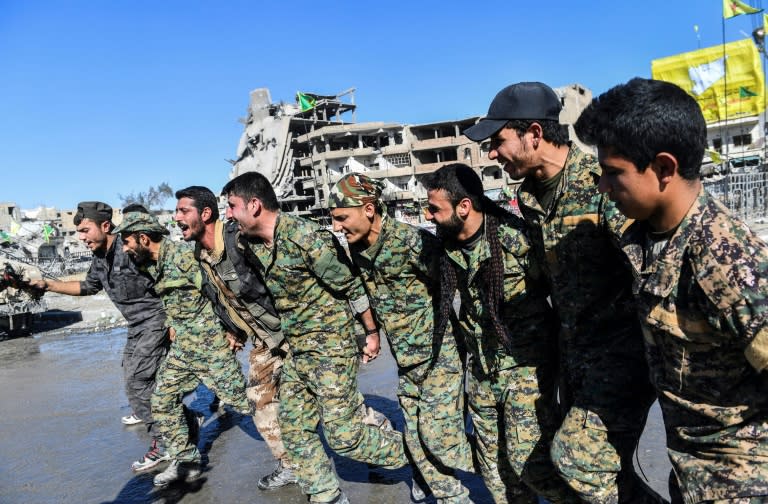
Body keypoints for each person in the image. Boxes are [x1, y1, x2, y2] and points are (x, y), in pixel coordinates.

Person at [574, 77, 768, 503]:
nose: (602, 187)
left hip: (736, 480)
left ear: (663, 168)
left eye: (612, 173)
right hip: (688, 467)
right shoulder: (645, 236)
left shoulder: (727, 261)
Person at [464, 82, 658, 503]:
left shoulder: (600, 185)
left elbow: (651, 275)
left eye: (499, 142)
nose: (492, 154)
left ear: (535, 133)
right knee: (590, 473)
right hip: (575, 359)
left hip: (622, 360)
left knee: (580, 463)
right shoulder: (529, 198)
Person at [222, 172, 408, 504]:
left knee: (343, 436)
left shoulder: (306, 237)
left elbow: (351, 287)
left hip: (331, 348)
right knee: (293, 430)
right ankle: (327, 497)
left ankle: (420, 457)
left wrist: (371, 332)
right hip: (297, 351)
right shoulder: (248, 244)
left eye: (233, 206)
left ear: (254, 205)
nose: (229, 214)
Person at [423, 164, 577, 503]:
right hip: (482, 370)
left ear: (464, 206)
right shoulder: (446, 246)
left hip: (525, 367)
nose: (428, 215)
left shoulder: (515, 239)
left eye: (435, 208)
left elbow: (562, 295)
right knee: (494, 467)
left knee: (531, 463)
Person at [329, 173, 473, 503]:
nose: (337, 227)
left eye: (341, 218)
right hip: (406, 363)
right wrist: (372, 333)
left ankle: (509, 469)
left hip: (441, 357)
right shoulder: (357, 249)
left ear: (368, 209)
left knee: (440, 437)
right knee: (417, 440)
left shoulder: (412, 243)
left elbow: (456, 284)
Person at [26, 201, 171, 472]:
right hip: (136, 327)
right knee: (135, 382)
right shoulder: (99, 256)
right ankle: (182, 421)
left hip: (156, 321)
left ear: (105, 226)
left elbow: (169, 279)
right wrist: (49, 285)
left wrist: (176, 321)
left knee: (138, 382)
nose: (81, 237)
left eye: (85, 230)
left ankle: (166, 442)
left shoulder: (131, 249)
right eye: (78, 231)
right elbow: (88, 286)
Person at [114, 210, 252, 487]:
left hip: (211, 345)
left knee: (247, 405)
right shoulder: (150, 264)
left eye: (128, 242)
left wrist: (234, 331)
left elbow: (220, 291)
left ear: (143, 238)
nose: (126, 249)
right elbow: (170, 298)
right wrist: (173, 324)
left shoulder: (182, 257)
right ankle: (187, 461)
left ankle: (315, 427)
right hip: (184, 349)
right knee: (162, 401)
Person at [173, 185, 297, 490]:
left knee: (331, 403)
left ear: (204, 214)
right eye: (176, 211)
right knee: (260, 402)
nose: (176, 217)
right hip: (262, 341)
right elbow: (225, 298)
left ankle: (384, 438)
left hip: (291, 333)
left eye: (182, 211)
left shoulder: (239, 240)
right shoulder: (201, 254)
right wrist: (234, 331)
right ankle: (291, 465)